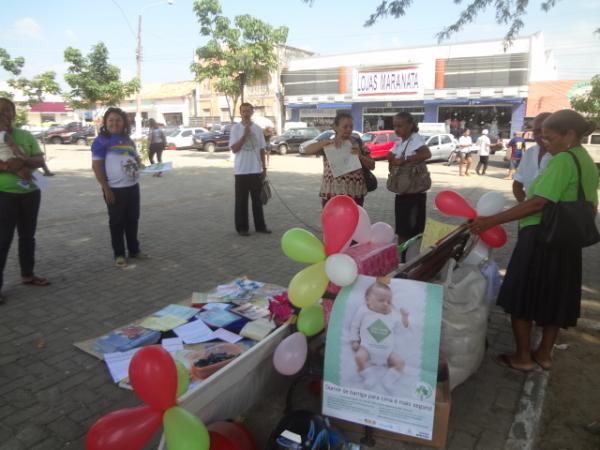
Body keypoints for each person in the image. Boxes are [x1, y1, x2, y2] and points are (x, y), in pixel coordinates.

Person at [468, 109, 599, 372]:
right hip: (567, 241)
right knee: (556, 297)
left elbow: (537, 203)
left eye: (549, 138)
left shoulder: (562, 160)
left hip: (541, 237)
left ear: (570, 135)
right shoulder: (585, 159)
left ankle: (523, 357)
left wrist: (491, 221)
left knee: (520, 295)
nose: (545, 143)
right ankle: (544, 354)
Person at [0, 97, 50, 303]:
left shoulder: (25, 135)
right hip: (4, 195)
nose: (4, 114)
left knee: (28, 236)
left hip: (30, 192)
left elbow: (40, 159)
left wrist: (23, 163)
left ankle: (27, 275)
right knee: (2, 241)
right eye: (0, 110)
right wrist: (7, 167)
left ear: (13, 113)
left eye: (7, 110)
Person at [91, 107, 145, 268]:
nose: (114, 123)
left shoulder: (128, 140)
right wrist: (106, 188)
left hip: (133, 186)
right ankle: (119, 254)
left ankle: (134, 250)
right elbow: (97, 166)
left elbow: (136, 159)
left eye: (118, 120)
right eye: (111, 120)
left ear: (124, 123)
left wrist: (142, 165)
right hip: (114, 189)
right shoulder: (101, 141)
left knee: (132, 220)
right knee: (117, 222)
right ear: (105, 122)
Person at [303, 111, 374, 207]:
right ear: (335, 127)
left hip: (355, 196)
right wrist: (326, 142)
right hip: (332, 196)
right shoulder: (329, 145)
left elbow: (372, 165)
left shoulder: (358, 143)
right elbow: (307, 150)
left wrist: (360, 156)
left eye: (351, 127)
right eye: (345, 127)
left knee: (354, 222)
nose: (349, 129)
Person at [350, 281, 410, 391]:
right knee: (359, 357)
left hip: (387, 352)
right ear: (368, 300)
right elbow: (354, 325)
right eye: (381, 300)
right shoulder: (364, 311)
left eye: (389, 301)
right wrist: (354, 340)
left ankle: (388, 380)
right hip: (367, 348)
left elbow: (402, 328)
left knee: (401, 363)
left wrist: (404, 317)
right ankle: (368, 376)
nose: (386, 304)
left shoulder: (392, 314)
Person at [387, 112, 431, 245]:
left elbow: (426, 153)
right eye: (394, 126)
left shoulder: (415, 138)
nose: (396, 129)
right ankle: (404, 258)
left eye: (400, 126)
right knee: (402, 230)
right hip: (403, 192)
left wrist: (404, 160)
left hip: (414, 194)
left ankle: (409, 259)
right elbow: (389, 155)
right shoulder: (401, 141)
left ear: (410, 125)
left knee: (411, 231)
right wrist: (393, 159)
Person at [229, 102, 271, 236]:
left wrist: (264, 168)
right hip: (241, 171)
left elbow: (262, 149)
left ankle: (260, 226)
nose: (246, 113)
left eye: (248, 111)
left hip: (255, 170)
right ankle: (242, 228)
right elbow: (234, 149)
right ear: (240, 113)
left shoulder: (258, 129)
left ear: (252, 112)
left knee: (257, 201)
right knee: (241, 201)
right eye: (243, 111)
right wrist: (244, 135)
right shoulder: (235, 129)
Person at [512, 113, 552, 203]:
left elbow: (539, 202)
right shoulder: (529, 153)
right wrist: (523, 204)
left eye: (542, 130)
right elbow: (517, 184)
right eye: (536, 131)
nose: (539, 135)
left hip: (553, 214)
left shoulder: (562, 156)